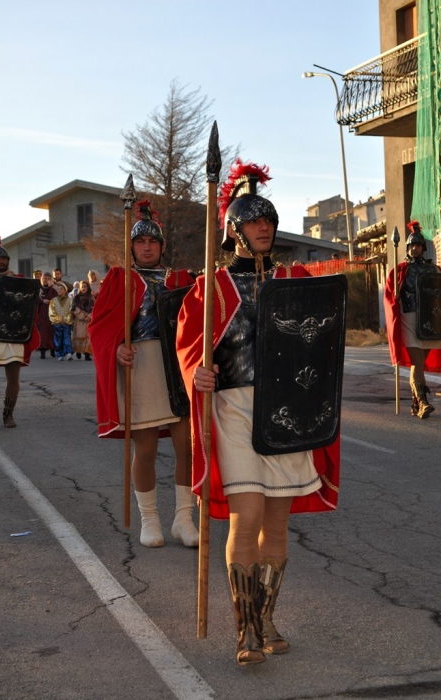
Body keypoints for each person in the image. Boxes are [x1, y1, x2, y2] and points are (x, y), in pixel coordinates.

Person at [176, 160, 340, 666]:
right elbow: (189, 347)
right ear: (233, 230)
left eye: (268, 219)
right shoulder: (212, 288)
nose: (264, 226)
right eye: (253, 220)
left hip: (288, 409)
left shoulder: (296, 281)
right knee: (246, 518)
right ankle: (245, 629)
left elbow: (322, 343)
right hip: (236, 408)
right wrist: (196, 375)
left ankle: (266, 616)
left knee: (277, 520)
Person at [89, 200, 198, 549]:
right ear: (132, 247)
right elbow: (98, 329)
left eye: (153, 242)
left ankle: (184, 519)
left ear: (162, 246)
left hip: (177, 367)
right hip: (141, 365)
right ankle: (150, 519)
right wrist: (115, 348)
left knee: (188, 447)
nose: (147, 247)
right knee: (146, 449)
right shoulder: (119, 279)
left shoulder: (181, 279)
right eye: (140, 242)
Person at [0, 236, 40, 428]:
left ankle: (8, 414)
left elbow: (30, 308)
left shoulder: (19, 281)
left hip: (14, 335)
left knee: (13, 376)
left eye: (4, 259)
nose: (1, 261)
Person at [384, 220, 441, 418]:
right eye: (411, 245)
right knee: (417, 362)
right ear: (407, 247)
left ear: (423, 248)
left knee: (420, 362)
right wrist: (395, 296)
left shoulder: (433, 270)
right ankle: (424, 402)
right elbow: (390, 296)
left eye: (417, 245)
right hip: (409, 318)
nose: (414, 248)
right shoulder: (400, 271)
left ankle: (416, 404)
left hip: (428, 321)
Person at [48, 282, 74, 361]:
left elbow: (71, 311)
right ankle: (59, 353)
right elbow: (51, 312)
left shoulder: (70, 300)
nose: (59, 290)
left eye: (61, 289)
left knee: (67, 337)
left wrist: (66, 319)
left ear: (65, 290)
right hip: (57, 323)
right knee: (58, 338)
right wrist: (59, 319)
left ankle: (68, 352)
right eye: (58, 289)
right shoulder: (53, 300)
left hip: (66, 323)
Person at [37, 271, 58, 359]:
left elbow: (56, 298)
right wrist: (42, 301)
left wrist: (51, 288)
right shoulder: (39, 289)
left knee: (51, 331)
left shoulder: (53, 289)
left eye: (48, 278)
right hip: (42, 313)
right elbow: (35, 299)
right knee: (43, 332)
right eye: (45, 278)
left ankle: (52, 350)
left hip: (52, 313)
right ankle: (42, 351)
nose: (46, 280)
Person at [72, 280, 94, 360]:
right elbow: (75, 309)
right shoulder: (77, 298)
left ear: (88, 288)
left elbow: (94, 308)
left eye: (85, 286)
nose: (83, 288)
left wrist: (90, 316)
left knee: (88, 337)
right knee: (79, 336)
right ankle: (78, 351)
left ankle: (87, 353)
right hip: (80, 321)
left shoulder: (91, 298)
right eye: (82, 287)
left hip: (88, 320)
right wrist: (82, 316)